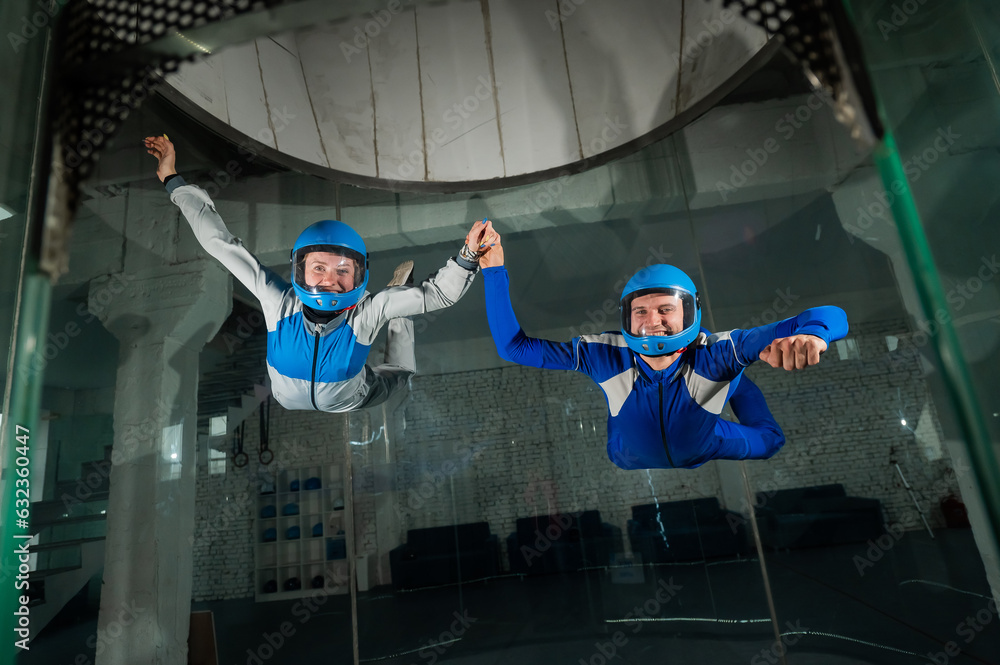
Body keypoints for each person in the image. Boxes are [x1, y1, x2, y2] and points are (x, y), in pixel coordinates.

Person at [144, 135, 494, 412]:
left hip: (351, 397)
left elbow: (438, 294)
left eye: (343, 270)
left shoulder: (364, 312)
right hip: (287, 397)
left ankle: (398, 307)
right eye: (319, 268)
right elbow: (218, 242)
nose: (329, 279)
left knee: (401, 371)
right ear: (300, 269)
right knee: (390, 306)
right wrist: (174, 181)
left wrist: (467, 257)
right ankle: (398, 301)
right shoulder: (277, 301)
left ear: (359, 275)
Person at [478, 231, 848, 470]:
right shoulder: (604, 352)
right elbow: (515, 348)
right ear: (627, 315)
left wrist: (814, 336)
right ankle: (733, 379)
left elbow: (829, 315)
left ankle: (735, 379)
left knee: (770, 442)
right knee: (622, 439)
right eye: (640, 311)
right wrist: (494, 270)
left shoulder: (718, 350)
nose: (652, 320)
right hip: (628, 454)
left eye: (665, 309)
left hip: (705, 442)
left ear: (689, 312)